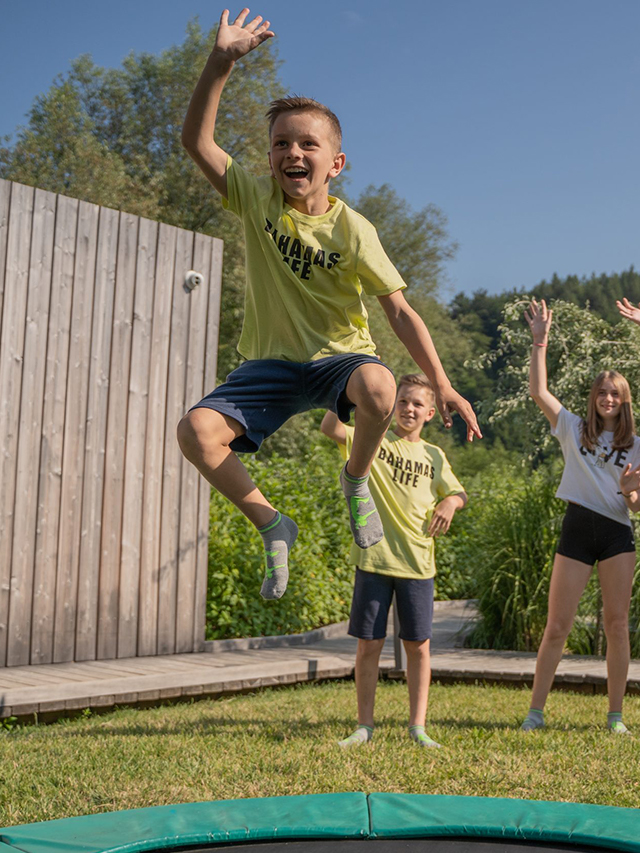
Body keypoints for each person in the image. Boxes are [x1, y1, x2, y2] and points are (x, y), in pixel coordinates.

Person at [177, 8, 480, 601]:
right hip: (270, 363)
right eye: (280, 144)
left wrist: (442, 384)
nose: (293, 152)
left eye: (307, 144)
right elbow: (195, 141)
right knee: (196, 432)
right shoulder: (255, 198)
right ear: (270, 159)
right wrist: (222, 62)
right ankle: (273, 524)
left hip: (338, 359)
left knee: (380, 389)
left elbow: (400, 312)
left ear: (334, 164)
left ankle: (356, 477)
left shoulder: (354, 231)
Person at [321, 373, 467, 748]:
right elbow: (330, 427)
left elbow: (458, 492)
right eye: (403, 401)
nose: (408, 409)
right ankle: (364, 726)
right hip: (374, 558)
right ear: (393, 404)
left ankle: (418, 727)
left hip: (418, 563)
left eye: (417, 404)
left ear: (431, 413)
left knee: (418, 647)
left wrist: (450, 502)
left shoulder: (435, 455)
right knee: (369, 644)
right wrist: (353, 385)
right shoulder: (374, 439)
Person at [521, 298, 640, 735]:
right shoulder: (572, 428)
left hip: (616, 535)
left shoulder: (636, 445)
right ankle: (535, 712)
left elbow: (635, 505)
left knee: (616, 625)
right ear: (593, 398)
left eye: (616, 394)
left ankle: (615, 717)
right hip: (577, 527)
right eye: (602, 392)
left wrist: (631, 493)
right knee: (557, 627)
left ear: (624, 401)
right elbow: (539, 392)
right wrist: (540, 342)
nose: (608, 399)